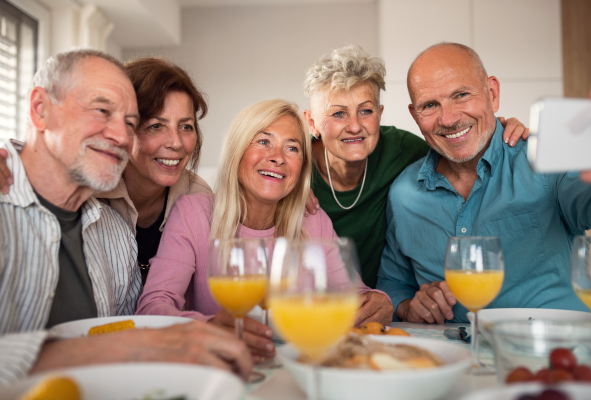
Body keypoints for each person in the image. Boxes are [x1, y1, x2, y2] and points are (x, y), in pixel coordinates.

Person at [0, 49, 252, 386]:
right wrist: (120, 348)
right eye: (103, 111)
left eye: (130, 123)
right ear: (40, 109)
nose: (121, 136)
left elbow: (133, 331)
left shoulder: (116, 233)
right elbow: (129, 344)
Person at [136, 100, 394, 346]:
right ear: (237, 150)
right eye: (263, 141)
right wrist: (212, 327)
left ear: (301, 167)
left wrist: (378, 303)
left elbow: (355, 294)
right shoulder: (194, 213)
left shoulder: (313, 221)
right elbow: (153, 307)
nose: (278, 157)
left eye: (292, 148)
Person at [377, 42, 591, 324]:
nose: (449, 118)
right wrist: (409, 305)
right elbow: (392, 282)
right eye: (430, 105)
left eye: (461, 95)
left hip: (554, 356)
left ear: (492, 94)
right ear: (414, 115)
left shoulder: (544, 158)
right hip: (456, 357)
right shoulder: (403, 194)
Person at [303, 44, 529, 289]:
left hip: (375, 305)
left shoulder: (403, 150)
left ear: (379, 115)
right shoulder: (293, 168)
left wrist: (500, 129)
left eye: (365, 111)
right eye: (338, 114)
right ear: (312, 122)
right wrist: (291, 186)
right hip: (309, 302)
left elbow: (456, 143)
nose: (355, 126)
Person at [98, 57, 212, 284]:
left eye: (185, 126)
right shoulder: (90, 192)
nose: (176, 143)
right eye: (156, 126)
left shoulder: (198, 197)